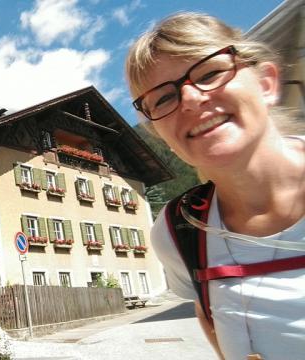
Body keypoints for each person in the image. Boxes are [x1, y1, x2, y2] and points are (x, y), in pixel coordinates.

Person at [125, 12, 305, 360]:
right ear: (160, 135)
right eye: (163, 99)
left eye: (209, 73)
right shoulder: (179, 231)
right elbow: (208, 308)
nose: (190, 99)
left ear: (266, 82)